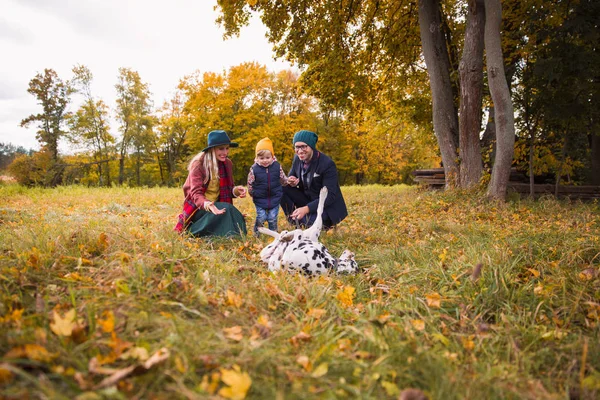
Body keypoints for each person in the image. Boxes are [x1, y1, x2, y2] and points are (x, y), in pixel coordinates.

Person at [175, 130, 247, 237]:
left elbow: (229, 190)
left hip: (219, 206)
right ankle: (193, 230)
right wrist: (208, 204)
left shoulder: (227, 164)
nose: (225, 152)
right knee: (228, 209)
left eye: (227, 148)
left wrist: (236, 191)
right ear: (212, 149)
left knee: (231, 212)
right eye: (221, 148)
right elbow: (196, 194)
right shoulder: (198, 165)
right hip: (199, 208)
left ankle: (231, 235)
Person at [281, 129, 347, 229]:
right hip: (307, 199)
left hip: (326, 207)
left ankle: (319, 223)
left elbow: (329, 196)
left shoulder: (327, 164)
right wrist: (291, 181)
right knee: (281, 187)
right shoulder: (297, 159)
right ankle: (293, 218)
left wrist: (306, 209)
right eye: (297, 147)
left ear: (311, 146)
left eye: (303, 146)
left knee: (307, 223)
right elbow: (291, 177)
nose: (300, 150)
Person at [247, 137, 288, 235]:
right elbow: (250, 182)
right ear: (257, 158)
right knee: (261, 217)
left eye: (267, 158)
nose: (265, 160)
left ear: (272, 156)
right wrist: (251, 192)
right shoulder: (254, 169)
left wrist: (287, 181)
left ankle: (273, 235)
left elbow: (282, 178)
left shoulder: (277, 166)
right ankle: (257, 233)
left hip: (274, 196)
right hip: (260, 198)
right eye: (261, 158)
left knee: (272, 218)